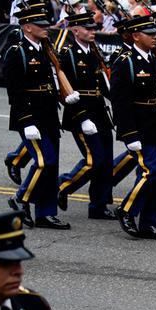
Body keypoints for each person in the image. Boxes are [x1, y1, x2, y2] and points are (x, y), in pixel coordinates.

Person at [3, 5, 78, 230]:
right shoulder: (17, 51)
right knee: (45, 161)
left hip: (48, 114)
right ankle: (20, 198)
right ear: (27, 27)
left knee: (52, 166)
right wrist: (26, 121)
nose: (46, 28)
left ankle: (46, 213)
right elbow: (14, 91)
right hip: (30, 116)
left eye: (46, 24)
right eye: (40, 25)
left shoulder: (46, 49)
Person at [110, 15, 156, 239]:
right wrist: (129, 133)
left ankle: (149, 223)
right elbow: (120, 101)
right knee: (151, 170)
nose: (155, 38)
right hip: (139, 126)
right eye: (150, 34)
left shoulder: (154, 58)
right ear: (135, 36)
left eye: (155, 34)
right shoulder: (126, 62)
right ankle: (126, 209)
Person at [57, 11, 116, 221]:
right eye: (87, 28)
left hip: (100, 112)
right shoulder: (68, 54)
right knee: (95, 159)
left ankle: (98, 206)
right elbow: (66, 90)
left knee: (106, 161)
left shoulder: (93, 51)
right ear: (75, 30)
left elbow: (104, 85)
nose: (93, 31)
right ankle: (62, 186)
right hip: (80, 114)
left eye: (93, 28)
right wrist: (82, 118)